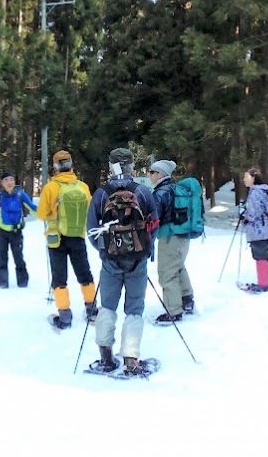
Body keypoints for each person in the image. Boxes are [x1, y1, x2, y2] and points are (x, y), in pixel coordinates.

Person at [86, 148, 158, 375]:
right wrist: (144, 248)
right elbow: (154, 225)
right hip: (138, 260)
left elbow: (91, 230)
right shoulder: (144, 192)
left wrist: (104, 250)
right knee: (134, 309)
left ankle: (105, 358)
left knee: (107, 306)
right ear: (131, 165)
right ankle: (131, 360)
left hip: (110, 261)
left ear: (111, 166)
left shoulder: (101, 194)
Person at [37, 149, 96, 330]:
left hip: (57, 239)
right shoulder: (83, 187)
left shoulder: (51, 187)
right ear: (71, 165)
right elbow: (90, 209)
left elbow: (41, 214)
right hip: (77, 236)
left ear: (55, 167)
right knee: (84, 273)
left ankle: (64, 316)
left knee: (59, 277)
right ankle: (92, 310)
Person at [148, 159, 196, 322]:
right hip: (183, 237)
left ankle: (173, 310)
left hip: (169, 238)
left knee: (167, 273)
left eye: (152, 172)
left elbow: (153, 218)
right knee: (178, 267)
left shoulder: (160, 192)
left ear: (160, 174)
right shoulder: (177, 189)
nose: (150, 175)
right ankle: (187, 299)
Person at [239, 166, 268, 293]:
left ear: (254, 177)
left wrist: (245, 216)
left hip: (259, 231)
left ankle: (264, 284)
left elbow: (255, 211)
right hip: (267, 229)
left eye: (246, 177)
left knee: (260, 256)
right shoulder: (262, 190)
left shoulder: (256, 192)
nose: (244, 179)